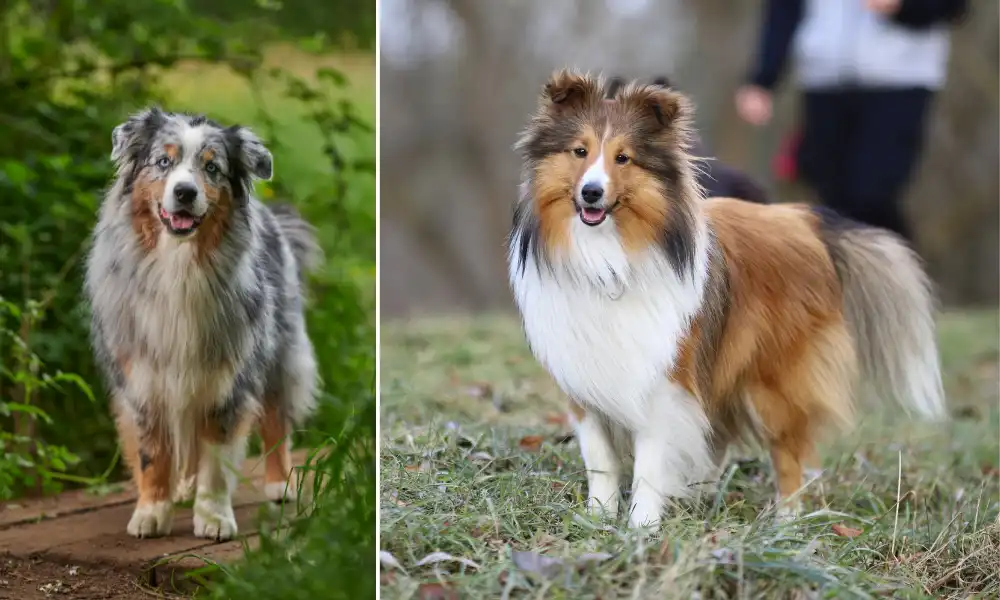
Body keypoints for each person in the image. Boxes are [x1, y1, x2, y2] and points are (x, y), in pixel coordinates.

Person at [735, 0, 968, 241]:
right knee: (831, 198)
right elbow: (785, 8)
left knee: (869, 193)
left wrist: (904, 6)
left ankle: (899, 268)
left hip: (899, 81)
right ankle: (850, 272)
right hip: (824, 79)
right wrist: (763, 78)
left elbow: (955, 7)